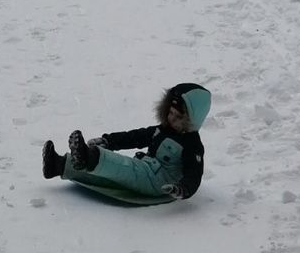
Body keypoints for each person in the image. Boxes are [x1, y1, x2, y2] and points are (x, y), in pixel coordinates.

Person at [42, 83, 210, 200]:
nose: (171, 118)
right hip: (146, 170)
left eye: (178, 116)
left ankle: (91, 157)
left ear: (192, 119)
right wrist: (108, 141)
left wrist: (183, 189)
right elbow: (135, 137)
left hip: (160, 184)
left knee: (123, 167)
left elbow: (194, 174)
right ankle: (59, 164)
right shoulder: (163, 129)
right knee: (109, 176)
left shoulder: (192, 145)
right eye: (170, 112)